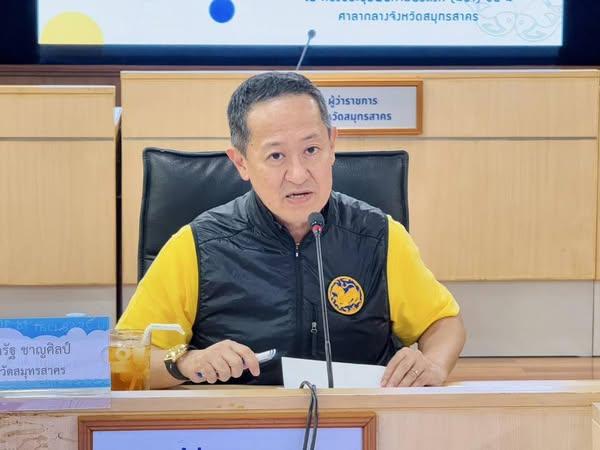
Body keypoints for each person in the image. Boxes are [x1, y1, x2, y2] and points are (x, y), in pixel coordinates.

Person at [117, 71, 466, 388]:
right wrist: (185, 362)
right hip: (240, 422)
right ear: (241, 162)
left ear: (332, 145)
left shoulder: (379, 236)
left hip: (359, 421)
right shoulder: (197, 246)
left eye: (311, 149)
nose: (298, 175)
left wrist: (434, 364)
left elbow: (443, 324)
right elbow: (124, 363)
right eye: (276, 156)